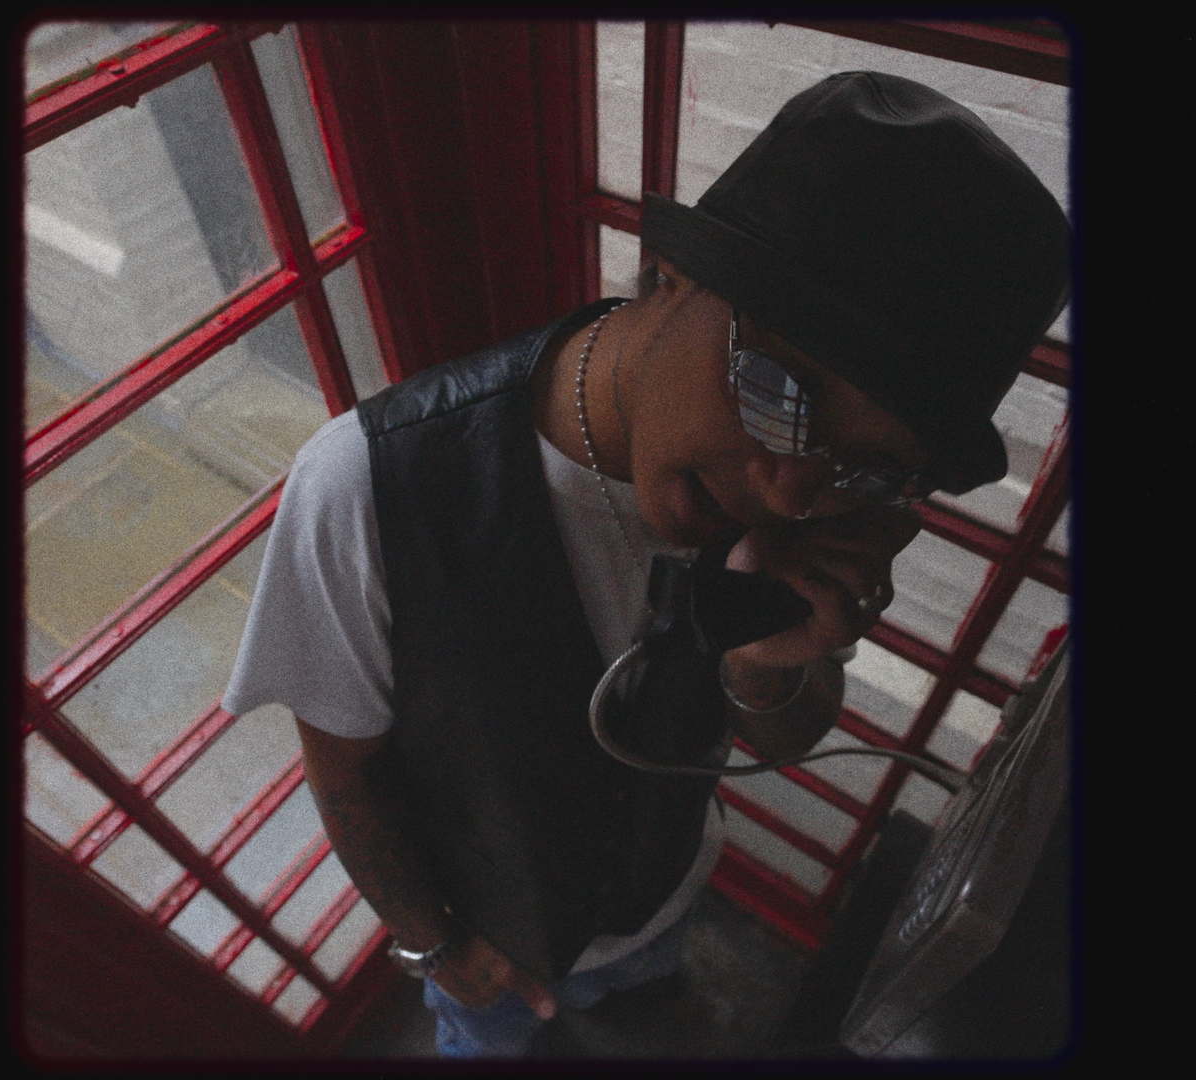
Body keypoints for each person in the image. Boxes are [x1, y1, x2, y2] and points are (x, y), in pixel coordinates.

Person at [221, 71, 1070, 1057]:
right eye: (779, 392)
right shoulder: (366, 487)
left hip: (667, 901)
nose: (791, 488)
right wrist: (435, 945)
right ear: (668, 268)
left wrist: (767, 664)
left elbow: (788, 736)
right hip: (493, 946)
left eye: (864, 465)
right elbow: (344, 772)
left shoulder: (811, 511)